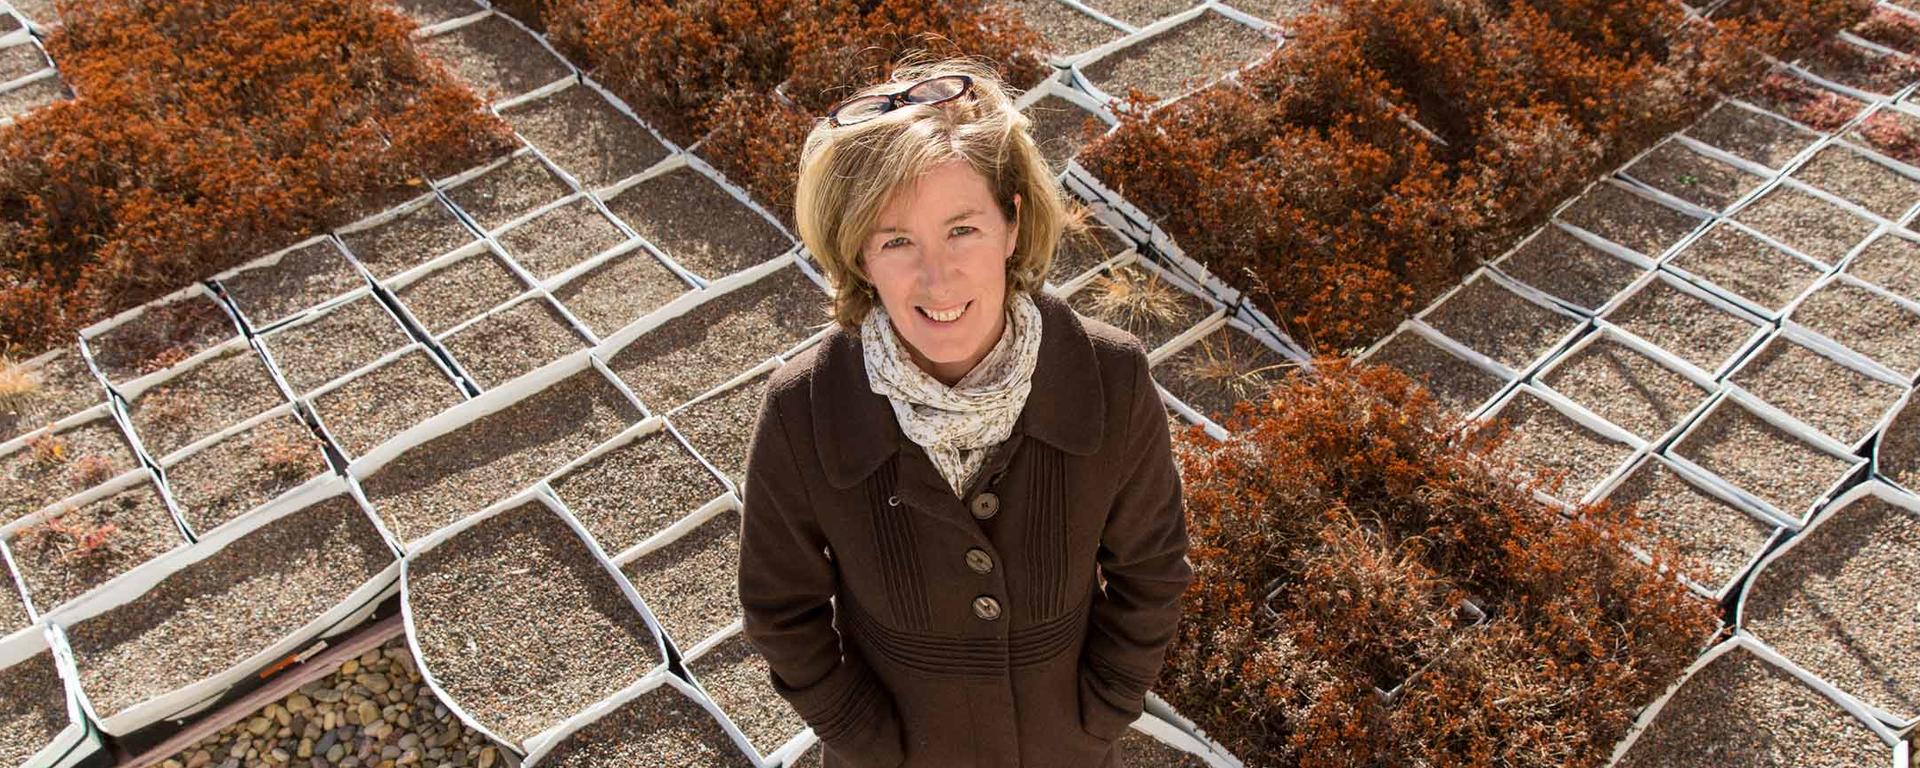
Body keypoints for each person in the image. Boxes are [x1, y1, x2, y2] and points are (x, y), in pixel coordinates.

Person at [735, 53, 1193, 768]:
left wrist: (1101, 714)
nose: (936, 275)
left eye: (962, 229)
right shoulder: (803, 409)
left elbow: (1152, 574)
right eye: (896, 241)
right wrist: (867, 743)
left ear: (1011, 226)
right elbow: (779, 610)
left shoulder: (1112, 377)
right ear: (860, 257)